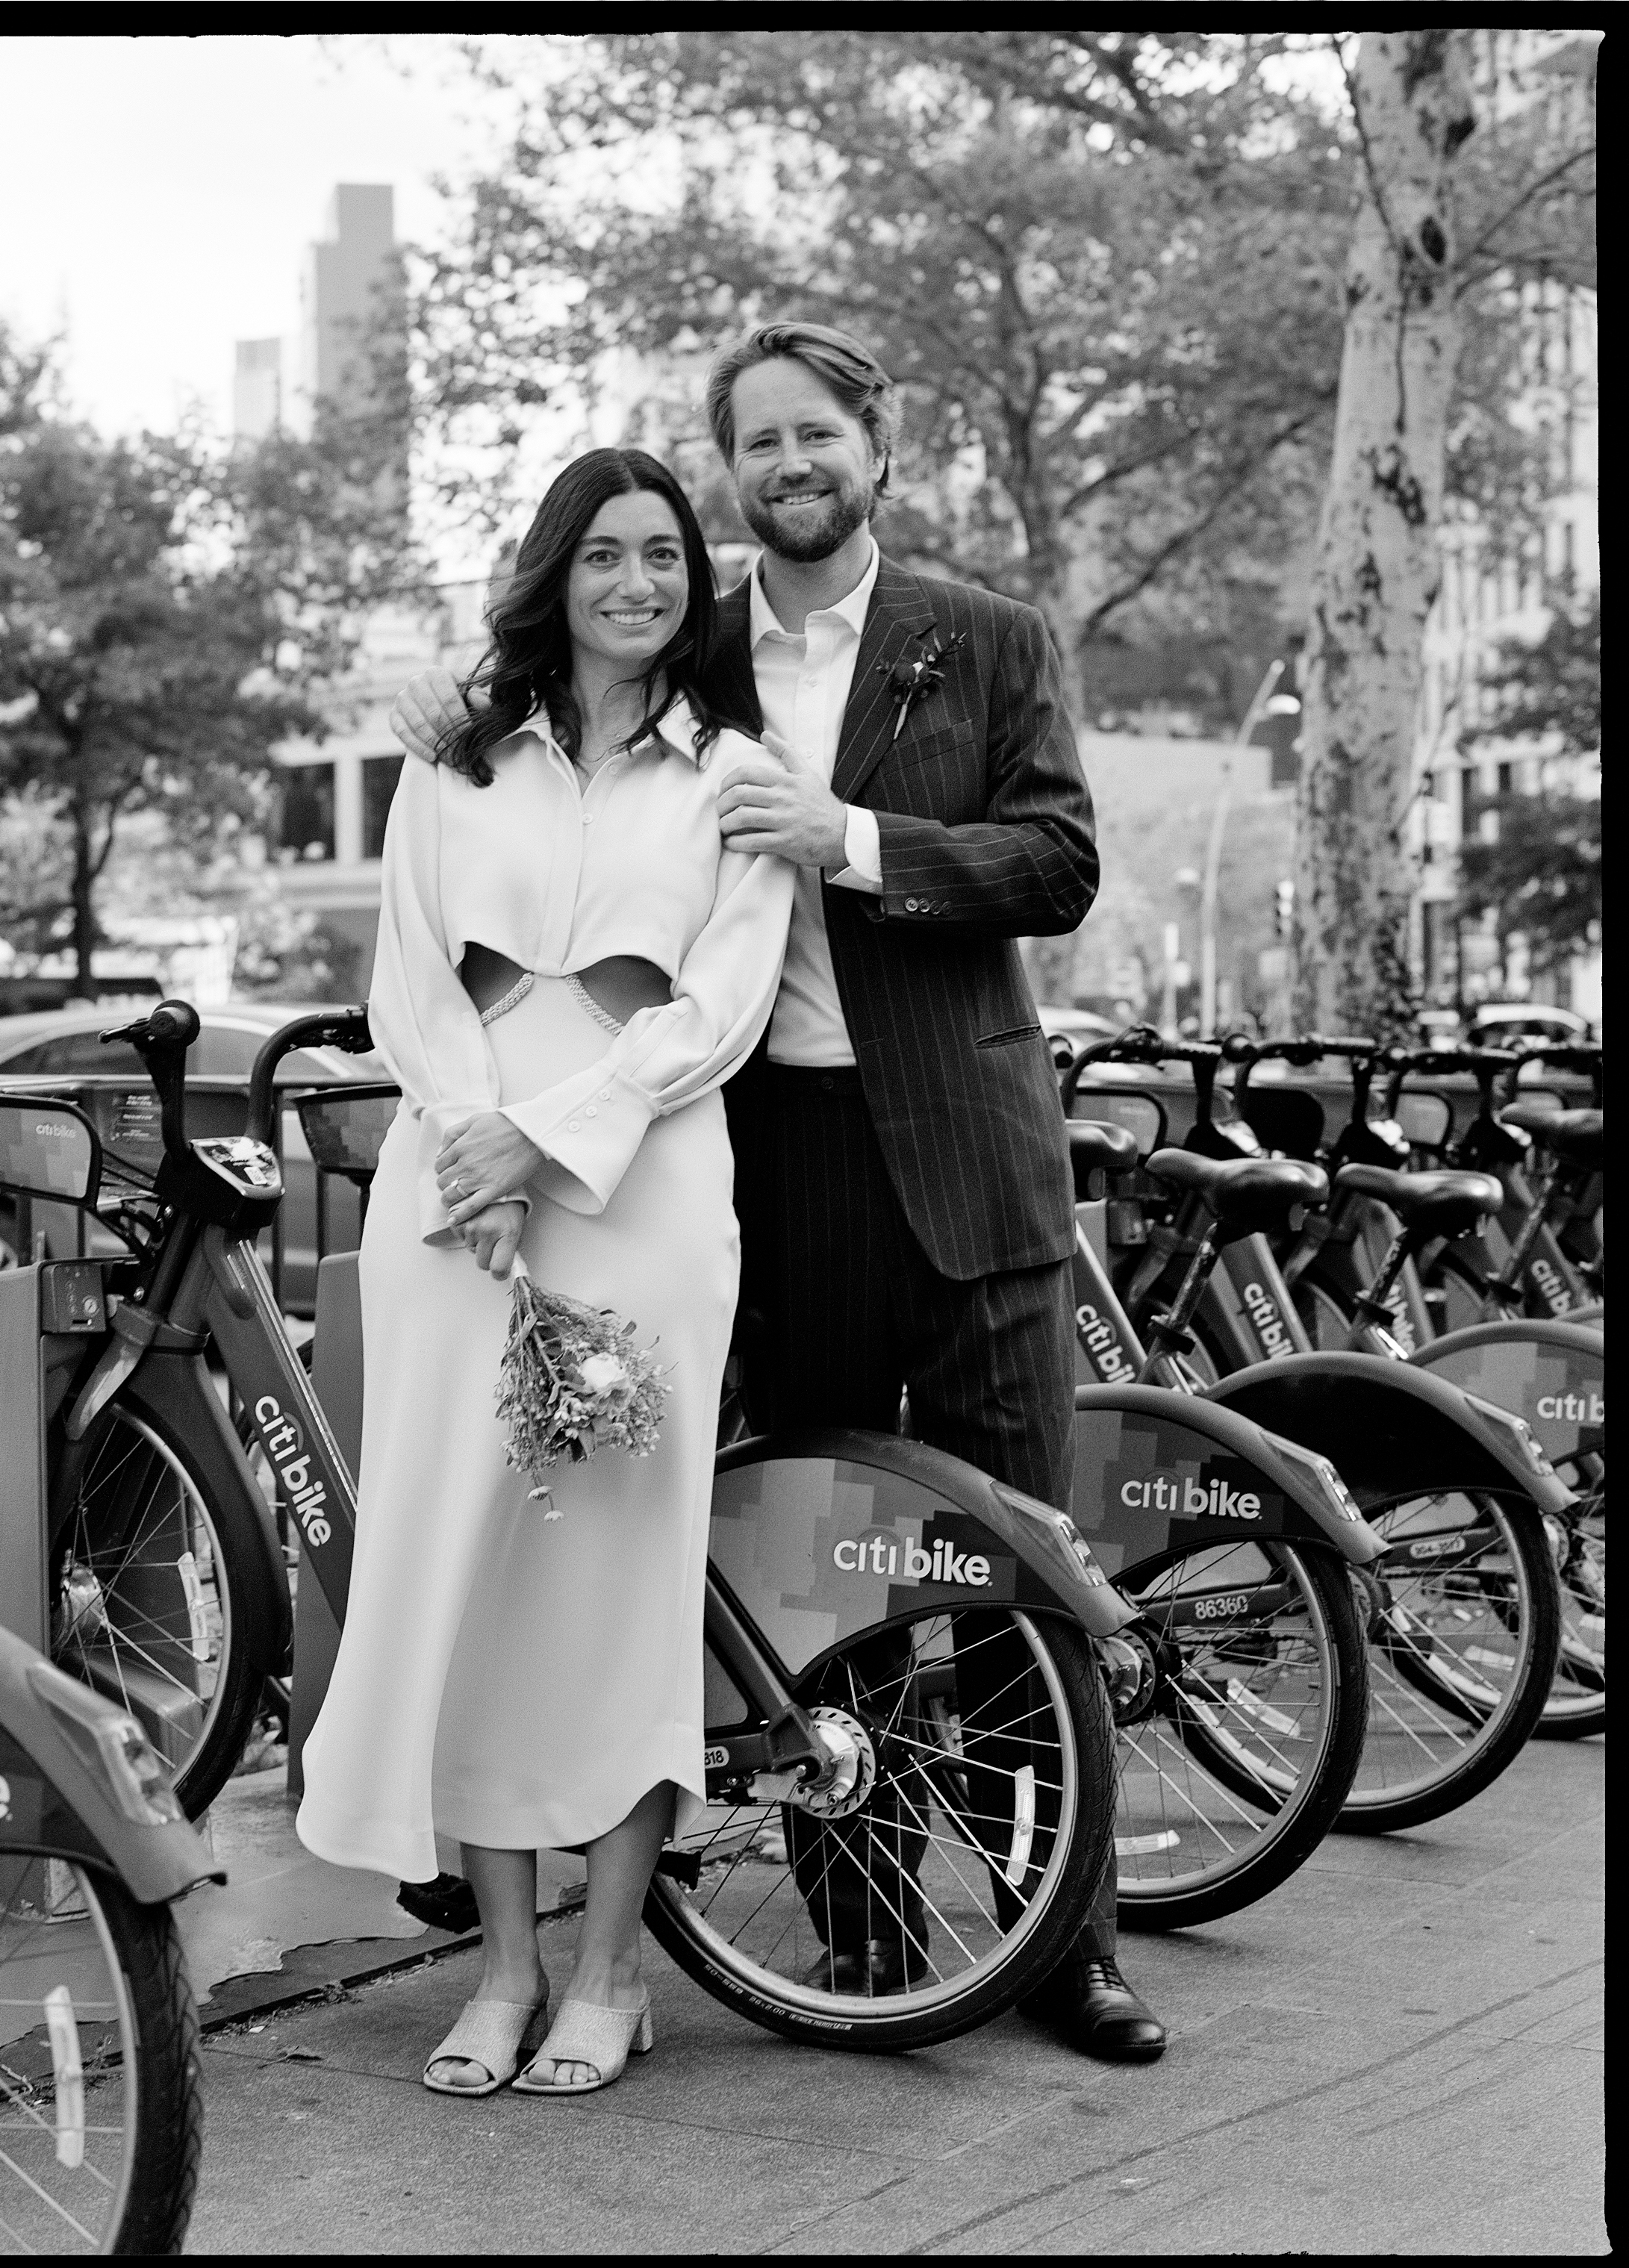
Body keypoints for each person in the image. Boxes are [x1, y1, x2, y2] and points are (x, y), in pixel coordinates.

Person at [392, 321, 1166, 2064]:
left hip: (969, 1155)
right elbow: (541, 761)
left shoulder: (985, 638)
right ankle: (864, 1922)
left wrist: (855, 843)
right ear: (726, 467)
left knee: (1015, 1555)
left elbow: (1057, 864)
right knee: (821, 1561)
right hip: (764, 1156)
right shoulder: (691, 638)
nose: (790, 465)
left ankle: (1069, 1941)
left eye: (818, 434)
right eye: (757, 442)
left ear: (876, 448)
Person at [296, 447, 794, 2098]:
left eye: (665, 556)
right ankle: (504, 1969)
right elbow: (410, 984)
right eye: (604, 554)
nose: (637, 583)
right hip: (452, 1198)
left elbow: (718, 1008)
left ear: (694, 585)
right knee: (472, 1566)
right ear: (553, 572)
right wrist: (473, 1152)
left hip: (642, 1185)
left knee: (616, 1582)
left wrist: (549, 1141)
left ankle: (610, 1969)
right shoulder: (455, 757)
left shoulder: (737, 775)